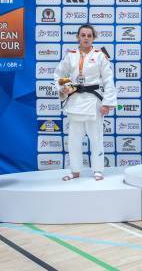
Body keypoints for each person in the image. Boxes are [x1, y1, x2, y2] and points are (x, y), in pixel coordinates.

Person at [54, 24, 116, 181]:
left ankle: (98, 170)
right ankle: (75, 170)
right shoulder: (71, 55)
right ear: (78, 37)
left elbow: (108, 80)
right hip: (75, 100)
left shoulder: (100, 55)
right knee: (74, 139)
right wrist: (65, 87)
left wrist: (107, 103)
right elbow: (59, 74)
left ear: (93, 38)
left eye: (89, 35)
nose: (86, 38)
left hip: (93, 101)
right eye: (83, 35)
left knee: (96, 138)